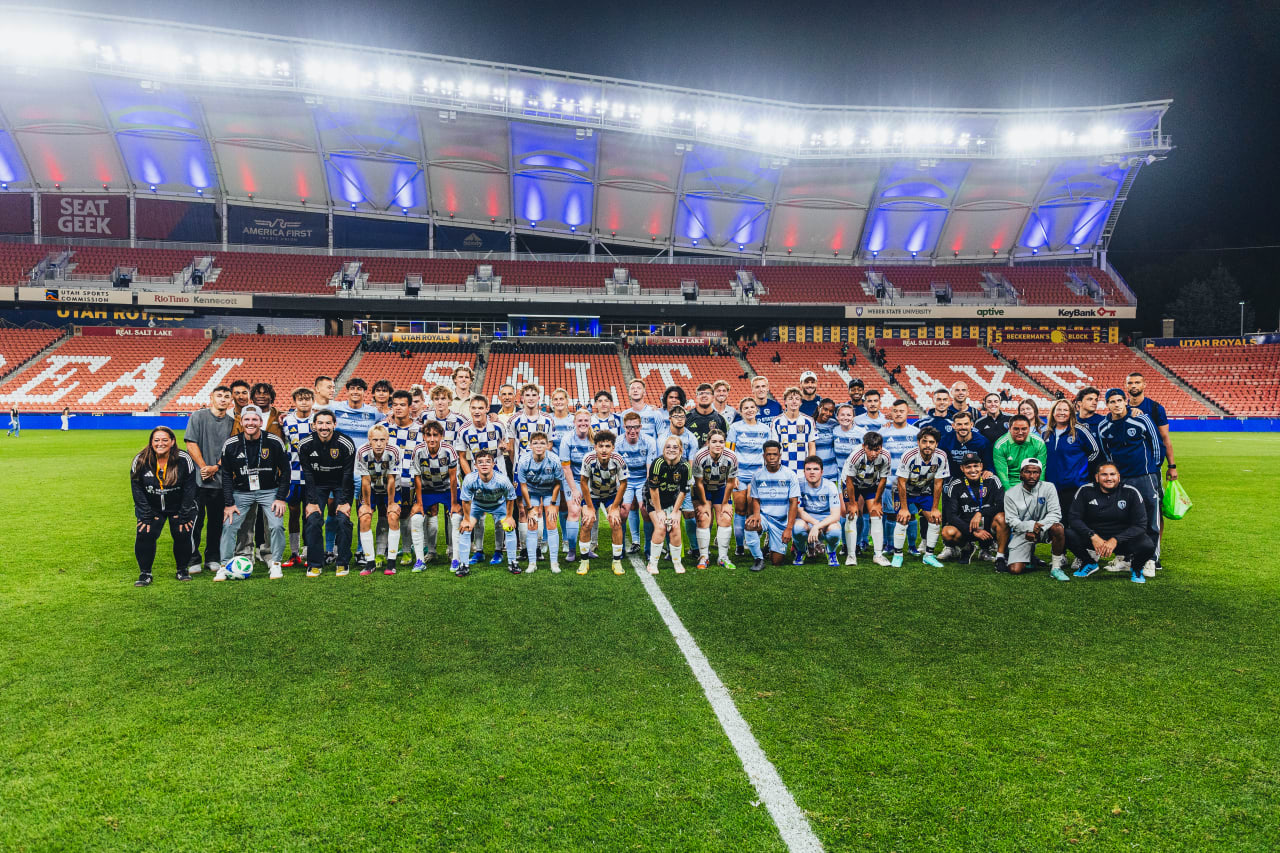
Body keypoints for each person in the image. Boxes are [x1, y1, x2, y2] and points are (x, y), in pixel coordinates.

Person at [217, 406, 290, 580]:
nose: (251, 423)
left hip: (269, 491)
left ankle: (276, 564)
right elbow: (226, 475)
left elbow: (285, 471)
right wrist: (229, 503)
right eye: (247, 419)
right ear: (241, 422)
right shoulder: (231, 444)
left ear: (260, 422)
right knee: (228, 525)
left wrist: (280, 498)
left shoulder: (273, 441)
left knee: (277, 525)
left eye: (254, 419)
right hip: (241, 491)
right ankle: (225, 565)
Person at [1096, 388, 1163, 577]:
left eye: (1119, 400)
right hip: (1121, 480)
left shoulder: (1142, 420)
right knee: (1122, 518)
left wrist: (1153, 469)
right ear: (1107, 405)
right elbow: (1106, 453)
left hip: (1145, 475)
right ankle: (1124, 558)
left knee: (1151, 518)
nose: (1116, 404)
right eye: (1112, 401)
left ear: (1126, 401)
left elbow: (1156, 444)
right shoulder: (1103, 427)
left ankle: (1151, 559)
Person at [130, 427, 198, 586]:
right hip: (152, 507)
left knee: (182, 533)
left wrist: (184, 513)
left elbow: (190, 488)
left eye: (165, 440)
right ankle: (145, 573)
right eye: (157, 440)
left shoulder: (184, 459)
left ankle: (182, 570)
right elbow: (136, 488)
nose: (160, 443)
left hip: (178, 506)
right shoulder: (140, 460)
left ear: (172, 441)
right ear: (151, 442)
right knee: (144, 534)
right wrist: (145, 514)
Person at [1068, 461, 1156, 584]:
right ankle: (1089, 562)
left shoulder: (1131, 492)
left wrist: (1115, 539)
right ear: (1097, 477)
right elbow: (1074, 518)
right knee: (1067, 533)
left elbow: (1140, 525)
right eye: (1104, 474)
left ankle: (1136, 568)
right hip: (1095, 540)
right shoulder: (1085, 490)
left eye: (1112, 474)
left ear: (1118, 477)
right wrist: (1092, 536)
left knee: (1147, 545)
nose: (1109, 478)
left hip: (1122, 540)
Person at [1125, 371, 1177, 567]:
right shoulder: (1121, 407)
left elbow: (1165, 439)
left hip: (1152, 469)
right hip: (1128, 470)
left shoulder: (1155, 408)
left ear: (1144, 384)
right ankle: (1131, 552)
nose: (1134, 385)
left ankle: (1154, 553)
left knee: (1154, 511)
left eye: (1138, 382)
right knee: (1129, 511)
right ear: (1126, 386)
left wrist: (1171, 466)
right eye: (1131, 383)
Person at [299, 409, 357, 577]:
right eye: (320, 423)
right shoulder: (305, 444)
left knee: (342, 518)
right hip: (317, 485)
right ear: (314, 425)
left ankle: (343, 562)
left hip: (341, 484)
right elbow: (308, 475)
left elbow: (348, 474)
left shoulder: (345, 443)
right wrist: (311, 501)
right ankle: (315, 563)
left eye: (328, 423)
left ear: (334, 424)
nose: (324, 427)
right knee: (313, 518)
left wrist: (345, 501)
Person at [184, 385, 235, 574]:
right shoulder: (198, 416)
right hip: (197, 479)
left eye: (226, 396)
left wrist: (216, 467)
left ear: (230, 401)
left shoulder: (232, 422)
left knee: (216, 521)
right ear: (211, 397)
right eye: (219, 395)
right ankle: (192, 558)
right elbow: (191, 443)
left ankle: (212, 557)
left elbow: (231, 449)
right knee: (195, 520)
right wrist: (204, 467)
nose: (223, 399)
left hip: (220, 480)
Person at [457, 394, 511, 564]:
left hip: (499, 476)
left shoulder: (498, 426)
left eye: (481, 408)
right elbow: (461, 456)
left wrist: (504, 448)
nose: (477, 411)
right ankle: (479, 551)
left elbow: (507, 446)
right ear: (470, 409)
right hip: (477, 479)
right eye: (474, 408)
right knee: (478, 516)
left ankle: (497, 551)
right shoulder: (464, 430)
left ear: (487, 409)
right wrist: (469, 477)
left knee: (498, 517)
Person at [456, 450, 520, 576]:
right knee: (465, 528)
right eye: (480, 462)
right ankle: (464, 565)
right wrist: (466, 519)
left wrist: (509, 517)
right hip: (478, 505)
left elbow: (511, 497)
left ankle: (513, 562)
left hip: (498, 505)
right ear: (475, 465)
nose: (484, 464)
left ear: (493, 464)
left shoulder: (502, 479)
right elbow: (466, 501)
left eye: (487, 462)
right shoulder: (469, 479)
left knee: (509, 527)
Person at [891, 427, 949, 568]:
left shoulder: (941, 457)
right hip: (905, 490)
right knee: (903, 518)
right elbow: (901, 482)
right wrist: (904, 508)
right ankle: (897, 555)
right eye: (924, 441)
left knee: (935, 519)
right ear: (918, 442)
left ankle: (928, 556)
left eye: (931, 442)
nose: (928, 445)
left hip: (924, 491)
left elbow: (938, 483)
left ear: (936, 444)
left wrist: (935, 508)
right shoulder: (909, 456)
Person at [1001, 457, 1067, 579]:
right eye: (1028, 472)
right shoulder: (1010, 493)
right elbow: (1011, 520)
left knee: (1058, 528)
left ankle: (1056, 567)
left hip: (1045, 530)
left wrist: (1038, 528)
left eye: (1036, 472)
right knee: (1015, 570)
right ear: (1021, 473)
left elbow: (1055, 513)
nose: (1032, 476)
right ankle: (1030, 559)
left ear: (1040, 474)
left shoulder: (1049, 487)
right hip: (1023, 533)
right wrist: (1030, 527)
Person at [938, 452, 1008, 564]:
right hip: (967, 527)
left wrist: (981, 513)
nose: (973, 470)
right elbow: (951, 516)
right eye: (968, 467)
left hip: (988, 525)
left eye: (976, 466)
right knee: (947, 532)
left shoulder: (992, 480)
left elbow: (1002, 505)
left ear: (981, 466)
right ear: (962, 468)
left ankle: (998, 556)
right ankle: (967, 547)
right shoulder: (956, 485)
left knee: (1002, 518)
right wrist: (974, 532)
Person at [409, 420, 459, 571]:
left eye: (435, 435)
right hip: (427, 489)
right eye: (428, 435)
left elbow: (453, 478)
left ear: (441, 436)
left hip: (447, 489)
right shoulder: (418, 451)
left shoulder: (449, 450)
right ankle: (419, 560)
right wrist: (418, 503)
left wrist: (454, 503)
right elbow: (417, 477)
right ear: (424, 436)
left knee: (456, 517)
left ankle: (456, 558)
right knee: (417, 518)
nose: (432, 439)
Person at [743, 440, 800, 571]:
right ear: (764, 456)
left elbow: (793, 503)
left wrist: (789, 529)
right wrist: (756, 515)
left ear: (780, 455)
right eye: (769, 454)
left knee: (777, 561)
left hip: (781, 522)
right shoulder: (757, 475)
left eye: (775, 454)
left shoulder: (790, 475)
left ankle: (770, 546)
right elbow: (755, 499)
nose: (772, 457)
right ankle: (759, 559)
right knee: (750, 524)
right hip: (764, 517)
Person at [578, 430, 628, 575]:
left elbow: (624, 483)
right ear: (595, 447)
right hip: (592, 495)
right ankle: (584, 561)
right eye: (601, 446)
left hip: (611, 494)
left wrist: (615, 507)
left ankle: (617, 561)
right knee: (587, 521)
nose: (604, 450)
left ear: (613, 447)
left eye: (607, 446)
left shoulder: (618, 459)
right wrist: (589, 507)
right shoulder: (588, 459)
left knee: (616, 521)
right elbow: (583, 482)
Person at [727, 397, 772, 557]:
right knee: (740, 509)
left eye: (752, 407)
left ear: (756, 410)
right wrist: (732, 475)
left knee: (755, 509)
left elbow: (769, 453)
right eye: (745, 408)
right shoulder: (735, 428)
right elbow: (729, 452)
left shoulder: (765, 429)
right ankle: (739, 546)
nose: (749, 410)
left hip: (758, 476)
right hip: (740, 475)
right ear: (741, 410)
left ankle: (752, 541)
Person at [354, 424, 402, 575]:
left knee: (393, 516)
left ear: (387, 439)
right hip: (372, 489)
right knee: (364, 517)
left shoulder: (394, 451)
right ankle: (370, 563)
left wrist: (391, 503)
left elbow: (391, 480)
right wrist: (367, 505)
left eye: (382, 440)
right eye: (375, 440)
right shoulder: (362, 452)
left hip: (391, 488)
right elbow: (366, 481)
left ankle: (391, 562)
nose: (379, 444)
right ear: (369, 440)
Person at [382, 390, 423, 567]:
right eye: (395, 405)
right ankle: (382, 551)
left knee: (406, 515)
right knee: (387, 516)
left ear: (410, 407)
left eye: (402, 404)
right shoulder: (383, 428)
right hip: (389, 480)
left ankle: (407, 551)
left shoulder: (420, 429)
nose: (398, 408)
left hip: (411, 480)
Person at [1042, 399, 1100, 521]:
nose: (1061, 413)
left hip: (1075, 486)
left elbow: (1095, 451)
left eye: (1065, 410)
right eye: (1058, 409)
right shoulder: (1045, 432)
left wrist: (1080, 469)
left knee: (1075, 521)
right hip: (1052, 487)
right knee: (1056, 522)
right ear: (1053, 412)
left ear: (1071, 413)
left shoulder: (1080, 430)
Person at [645, 436, 694, 574]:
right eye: (668, 447)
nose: (671, 450)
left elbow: (684, 491)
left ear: (681, 450)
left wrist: (674, 512)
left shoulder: (685, 467)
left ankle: (677, 562)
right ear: (663, 449)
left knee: (675, 526)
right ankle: (653, 563)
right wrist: (659, 511)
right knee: (661, 526)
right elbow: (653, 489)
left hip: (673, 499)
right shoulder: (657, 463)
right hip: (654, 499)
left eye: (675, 447)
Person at [841, 430, 891, 566]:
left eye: (877, 450)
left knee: (876, 514)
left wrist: (877, 502)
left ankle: (878, 555)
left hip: (871, 483)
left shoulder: (886, 456)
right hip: (852, 483)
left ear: (881, 447)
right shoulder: (856, 456)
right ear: (864, 446)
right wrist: (852, 504)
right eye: (870, 450)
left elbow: (883, 480)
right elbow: (849, 480)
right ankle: (851, 556)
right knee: (852, 514)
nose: (873, 454)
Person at [516, 430, 563, 573]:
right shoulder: (523, 461)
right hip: (532, 492)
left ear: (548, 445)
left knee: (551, 523)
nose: (538, 445)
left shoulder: (554, 460)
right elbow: (523, 485)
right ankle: (532, 563)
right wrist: (529, 508)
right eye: (535, 443)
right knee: (532, 524)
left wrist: (553, 504)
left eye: (542, 443)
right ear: (530, 445)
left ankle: (554, 563)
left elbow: (558, 483)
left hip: (550, 491)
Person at [692, 429, 738, 570]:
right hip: (703, 488)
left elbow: (730, 482)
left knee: (725, 517)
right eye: (714, 441)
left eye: (721, 441)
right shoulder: (700, 456)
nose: (718, 444)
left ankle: (722, 557)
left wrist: (725, 503)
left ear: (725, 443)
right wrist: (705, 504)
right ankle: (703, 556)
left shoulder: (732, 457)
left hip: (721, 489)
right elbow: (698, 482)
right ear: (708, 443)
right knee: (703, 517)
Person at [281, 387, 315, 567]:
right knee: (293, 513)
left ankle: (308, 552)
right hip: (293, 474)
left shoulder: (317, 420)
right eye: (300, 399)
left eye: (307, 399)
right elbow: (283, 447)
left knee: (310, 514)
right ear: (294, 401)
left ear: (312, 401)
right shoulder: (287, 420)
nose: (304, 402)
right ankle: (294, 553)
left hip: (312, 475)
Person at [793, 455, 843, 566]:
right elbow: (799, 511)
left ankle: (831, 552)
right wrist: (815, 524)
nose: (812, 472)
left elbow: (835, 516)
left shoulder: (830, 486)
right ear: (804, 471)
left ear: (822, 472)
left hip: (826, 519)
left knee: (835, 530)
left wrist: (818, 526)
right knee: (797, 527)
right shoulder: (798, 484)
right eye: (808, 469)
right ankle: (801, 551)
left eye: (816, 469)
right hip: (807, 519)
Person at [617, 413, 656, 554]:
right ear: (624, 427)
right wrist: (619, 491)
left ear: (641, 426)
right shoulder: (618, 442)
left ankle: (648, 548)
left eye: (635, 427)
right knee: (623, 512)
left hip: (642, 480)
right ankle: (619, 549)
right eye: (629, 427)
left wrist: (646, 491)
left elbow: (649, 469)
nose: (632, 431)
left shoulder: (649, 441)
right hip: (625, 481)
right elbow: (616, 470)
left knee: (645, 510)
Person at [991, 414, 1047, 490]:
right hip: (1010, 485)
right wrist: (1010, 495)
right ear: (1010, 429)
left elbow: (1041, 472)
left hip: (1031, 485)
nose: (1020, 432)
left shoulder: (1039, 443)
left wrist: (1037, 492)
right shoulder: (1000, 445)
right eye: (1016, 429)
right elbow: (1003, 477)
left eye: (1024, 429)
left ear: (1029, 429)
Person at [770, 387, 816, 474]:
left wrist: (810, 466)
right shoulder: (777, 421)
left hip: (802, 469)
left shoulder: (808, 421)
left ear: (801, 402)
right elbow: (774, 447)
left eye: (797, 399)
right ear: (785, 402)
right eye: (790, 399)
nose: (794, 401)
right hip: (783, 468)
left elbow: (812, 445)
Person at [811, 399, 838, 481]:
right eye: (825, 409)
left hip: (832, 473)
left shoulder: (834, 424)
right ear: (819, 408)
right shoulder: (810, 423)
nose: (828, 413)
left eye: (831, 411)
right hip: (816, 472)